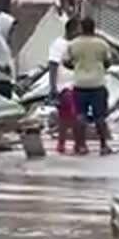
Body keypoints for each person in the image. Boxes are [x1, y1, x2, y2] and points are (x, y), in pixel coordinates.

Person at [63, 16, 113, 155]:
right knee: (100, 116)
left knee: (80, 115)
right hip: (97, 83)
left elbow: (66, 61)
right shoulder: (102, 44)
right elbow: (108, 62)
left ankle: (81, 146)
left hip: (80, 84)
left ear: (81, 28)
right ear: (94, 28)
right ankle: (103, 146)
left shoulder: (73, 44)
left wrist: (76, 67)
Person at [48, 17, 80, 154]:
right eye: (78, 30)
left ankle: (67, 143)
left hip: (78, 83)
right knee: (69, 116)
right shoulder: (58, 44)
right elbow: (53, 65)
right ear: (71, 30)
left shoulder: (78, 44)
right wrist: (53, 86)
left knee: (70, 116)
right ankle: (71, 143)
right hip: (64, 86)